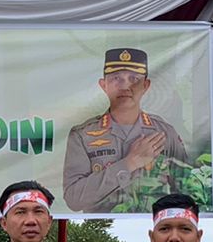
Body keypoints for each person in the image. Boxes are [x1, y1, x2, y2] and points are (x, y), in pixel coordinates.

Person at [61, 48, 189, 214]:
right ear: (103, 85)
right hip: (103, 230)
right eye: (116, 78)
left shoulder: (165, 133)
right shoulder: (82, 135)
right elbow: (74, 199)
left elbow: (186, 193)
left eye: (133, 79)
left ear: (146, 85)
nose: (125, 86)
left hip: (155, 229)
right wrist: (129, 163)